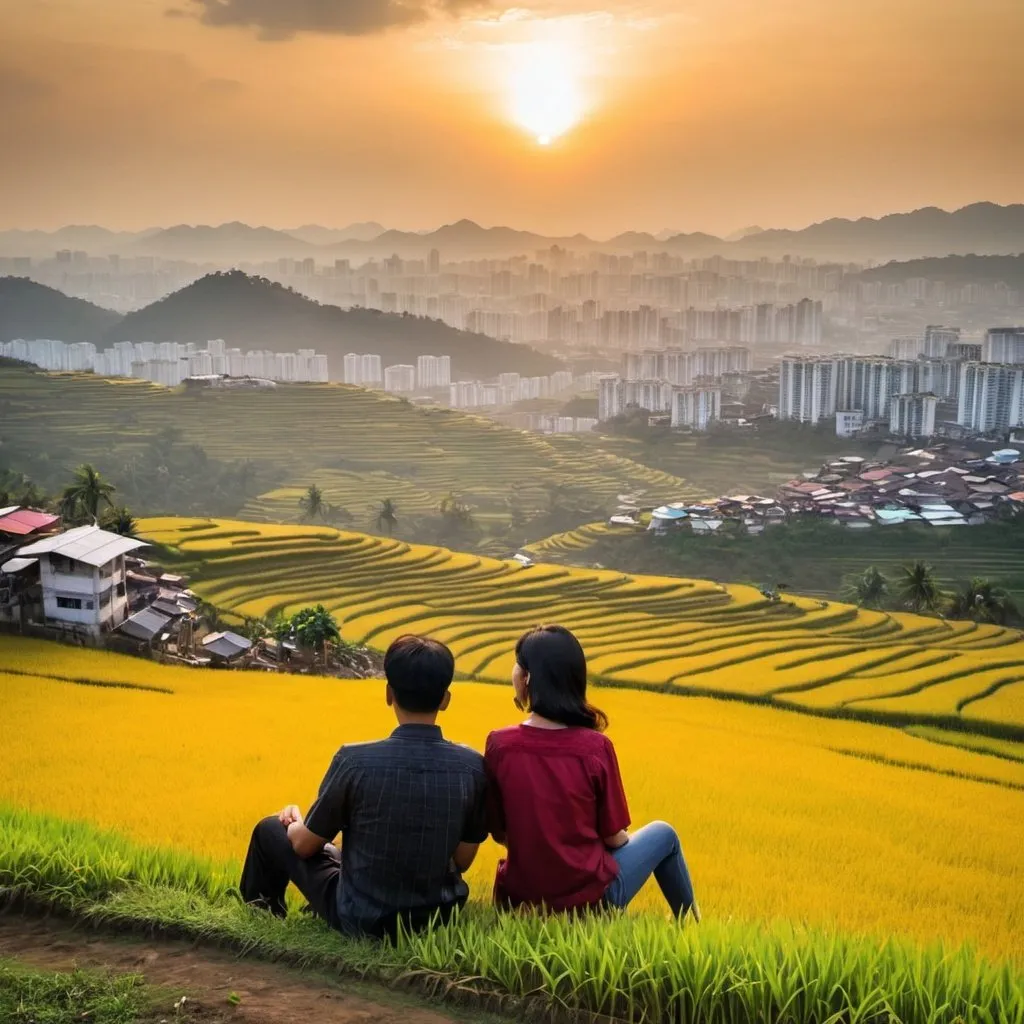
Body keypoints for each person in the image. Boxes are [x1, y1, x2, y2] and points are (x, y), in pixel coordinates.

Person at [239, 634, 488, 941]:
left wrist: (292, 822)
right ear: (445, 699)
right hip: (438, 918)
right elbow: (462, 860)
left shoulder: (354, 760)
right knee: (337, 853)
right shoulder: (473, 766)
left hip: (360, 917)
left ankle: (262, 916)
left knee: (270, 830)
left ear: (388, 694)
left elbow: (305, 846)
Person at [484, 624, 699, 921]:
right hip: (588, 903)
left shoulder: (499, 744)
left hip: (519, 899)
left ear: (527, 678)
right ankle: (691, 925)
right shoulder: (595, 747)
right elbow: (614, 838)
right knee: (664, 833)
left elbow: (500, 833)